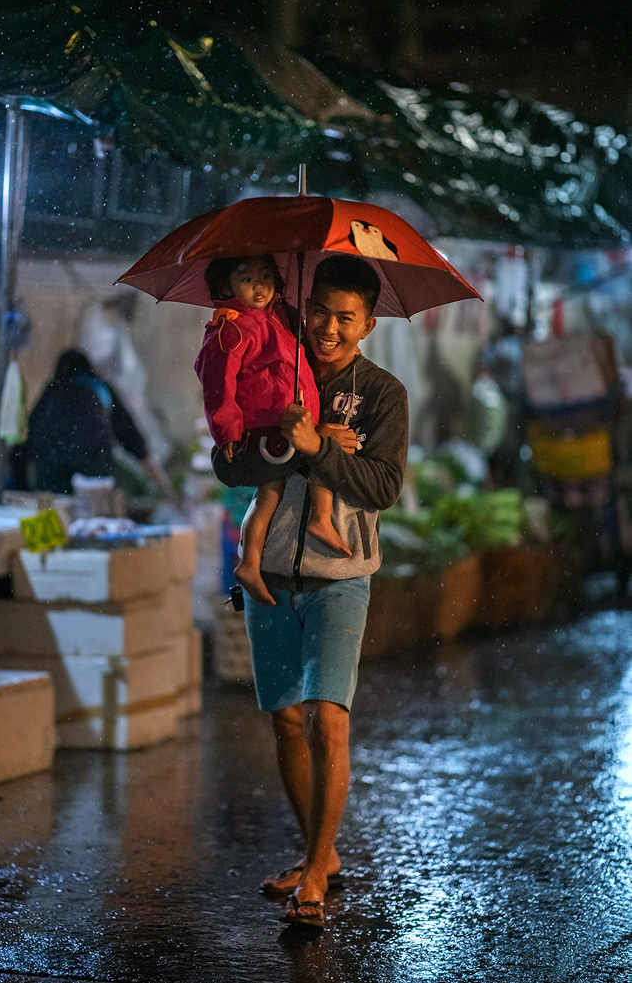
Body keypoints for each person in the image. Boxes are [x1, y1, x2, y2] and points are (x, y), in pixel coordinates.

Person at [243, 254, 408, 928]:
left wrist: (321, 448)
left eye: (345, 317)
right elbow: (233, 463)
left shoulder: (383, 394)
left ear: (368, 322)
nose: (328, 328)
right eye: (320, 312)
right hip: (271, 574)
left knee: (326, 717)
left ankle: (313, 872)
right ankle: (324, 851)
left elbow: (383, 487)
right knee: (286, 719)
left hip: (341, 577)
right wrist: (282, 443)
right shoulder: (276, 367)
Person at [194, 254, 352, 608]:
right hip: (267, 426)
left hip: (290, 418)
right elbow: (217, 386)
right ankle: (319, 521)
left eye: (267, 277)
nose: (260, 286)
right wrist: (228, 431)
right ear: (226, 286)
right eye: (247, 278)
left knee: (270, 493)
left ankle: (250, 563)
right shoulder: (231, 328)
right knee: (319, 451)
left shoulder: (275, 319)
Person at [10, 349, 169, 495]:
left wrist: (20, 486)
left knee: (55, 511)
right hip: (92, 455)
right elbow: (128, 433)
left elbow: (24, 440)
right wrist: (155, 474)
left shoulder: (51, 392)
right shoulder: (100, 387)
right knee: (94, 512)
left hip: (51, 458)